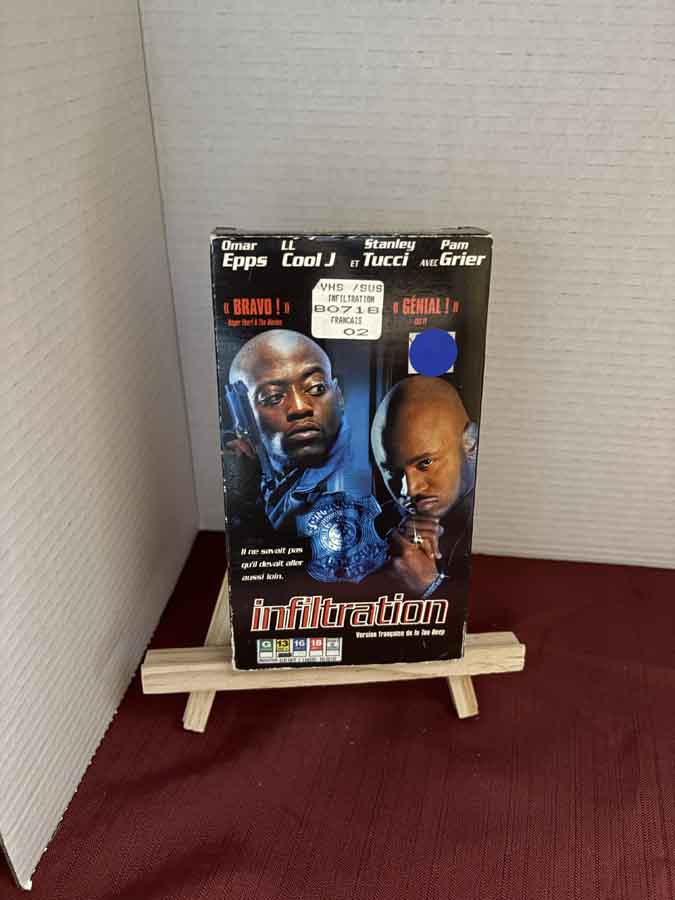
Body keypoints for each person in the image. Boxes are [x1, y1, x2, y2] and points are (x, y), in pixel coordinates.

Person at [226, 329, 348, 532]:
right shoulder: (268, 473)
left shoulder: (343, 486)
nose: (300, 408)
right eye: (274, 397)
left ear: (339, 396)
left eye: (316, 388)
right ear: (243, 422)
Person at [370, 376, 478, 598]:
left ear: (470, 443)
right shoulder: (379, 528)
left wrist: (430, 587)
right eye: (392, 471)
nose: (409, 490)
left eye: (425, 463)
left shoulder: (502, 517)